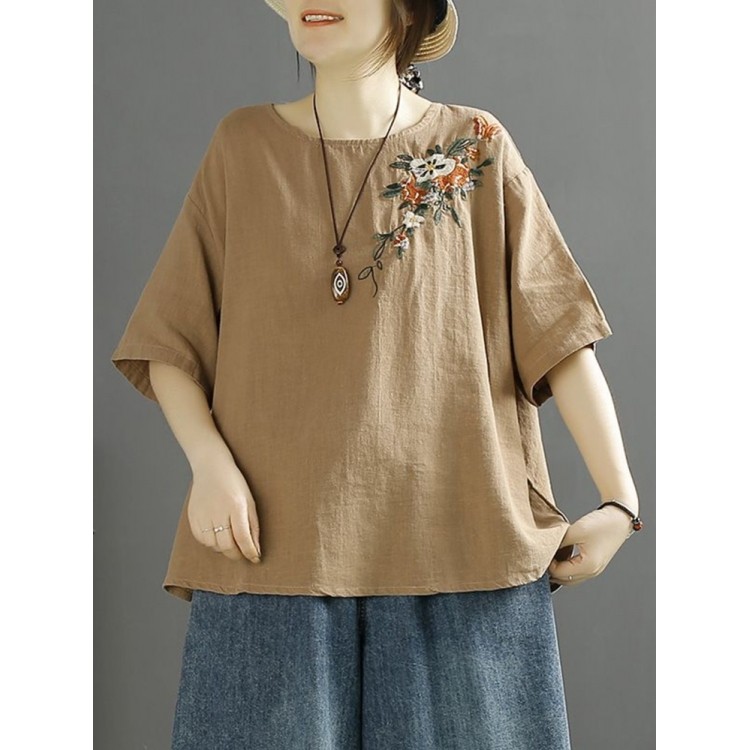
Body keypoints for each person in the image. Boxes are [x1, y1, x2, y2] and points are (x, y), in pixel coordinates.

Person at [110, 1, 643, 747]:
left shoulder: (474, 148)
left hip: (462, 553)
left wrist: (620, 502)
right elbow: (171, 338)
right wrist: (209, 463)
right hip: (270, 560)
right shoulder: (242, 149)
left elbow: (560, 334)